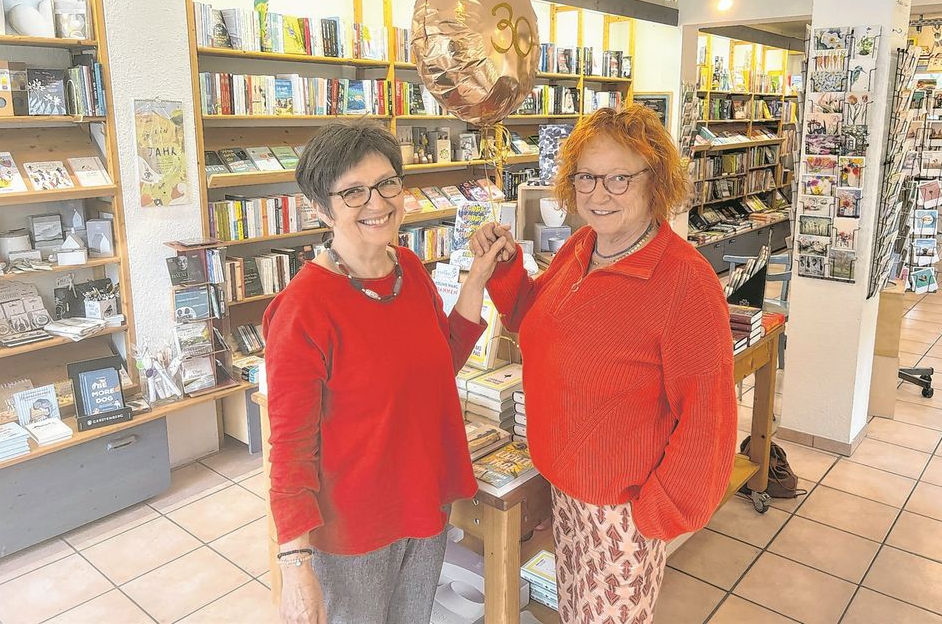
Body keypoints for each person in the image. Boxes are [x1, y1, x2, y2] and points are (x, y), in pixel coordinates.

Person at [471, 104, 737, 622]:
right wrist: (506, 269)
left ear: (654, 181)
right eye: (587, 177)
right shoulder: (583, 245)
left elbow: (709, 419)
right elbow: (535, 320)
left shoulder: (685, 281)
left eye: (619, 178)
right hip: (568, 488)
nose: (598, 193)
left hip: (621, 508)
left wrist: (654, 513)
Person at [263, 121, 507, 624]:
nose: (377, 203)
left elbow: (439, 365)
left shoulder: (410, 270)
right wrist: (294, 565)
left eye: (386, 183)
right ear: (319, 208)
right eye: (352, 192)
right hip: (353, 529)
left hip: (424, 504)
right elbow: (290, 449)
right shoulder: (303, 309)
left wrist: (476, 278)